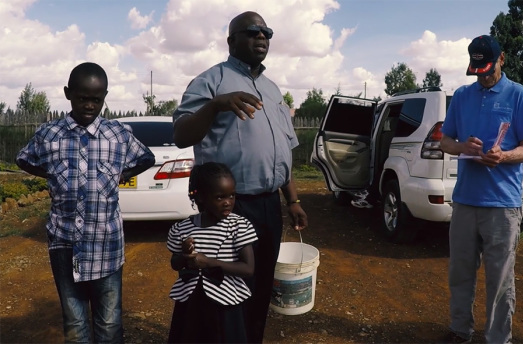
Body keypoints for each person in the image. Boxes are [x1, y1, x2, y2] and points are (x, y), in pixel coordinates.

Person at [172, 11, 308, 343]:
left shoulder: (273, 90)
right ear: (231, 40)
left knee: (260, 285)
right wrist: (215, 106)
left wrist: (293, 200)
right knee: (225, 290)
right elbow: (180, 134)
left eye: (266, 32)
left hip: (268, 206)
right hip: (227, 209)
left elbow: (283, 150)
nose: (261, 37)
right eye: (252, 32)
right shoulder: (210, 82)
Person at [16, 62, 155, 343]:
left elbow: (146, 158)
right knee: (75, 319)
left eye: (97, 99)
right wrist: (52, 174)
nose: (90, 105)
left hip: (107, 243)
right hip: (64, 243)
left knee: (109, 321)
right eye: (83, 98)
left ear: (105, 96)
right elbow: (24, 158)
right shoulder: (49, 134)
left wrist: (120, 175)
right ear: (68, 93)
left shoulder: (118, 135)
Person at [439, 35, 523, 344]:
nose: (483, 75)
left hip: (502, 205)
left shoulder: (519, 96)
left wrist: (504, 156)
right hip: (465, 201)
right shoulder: (462, 96)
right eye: (477, 70)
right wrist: (461, 147)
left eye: (488, 68)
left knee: (500, 280)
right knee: (460, 273)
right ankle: (460, 330)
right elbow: (445, 141)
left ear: (502, 59)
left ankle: (498, 338)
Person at [167, 162, 257, 343]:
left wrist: (208, 262)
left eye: (232, 196)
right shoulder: (183, 228)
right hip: (191, 302)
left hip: (225, 304)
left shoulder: (238, 226)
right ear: (200, 197)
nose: (228, 202)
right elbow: (174, 263)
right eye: (220, 197)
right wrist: (185, 256)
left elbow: (248, 269)